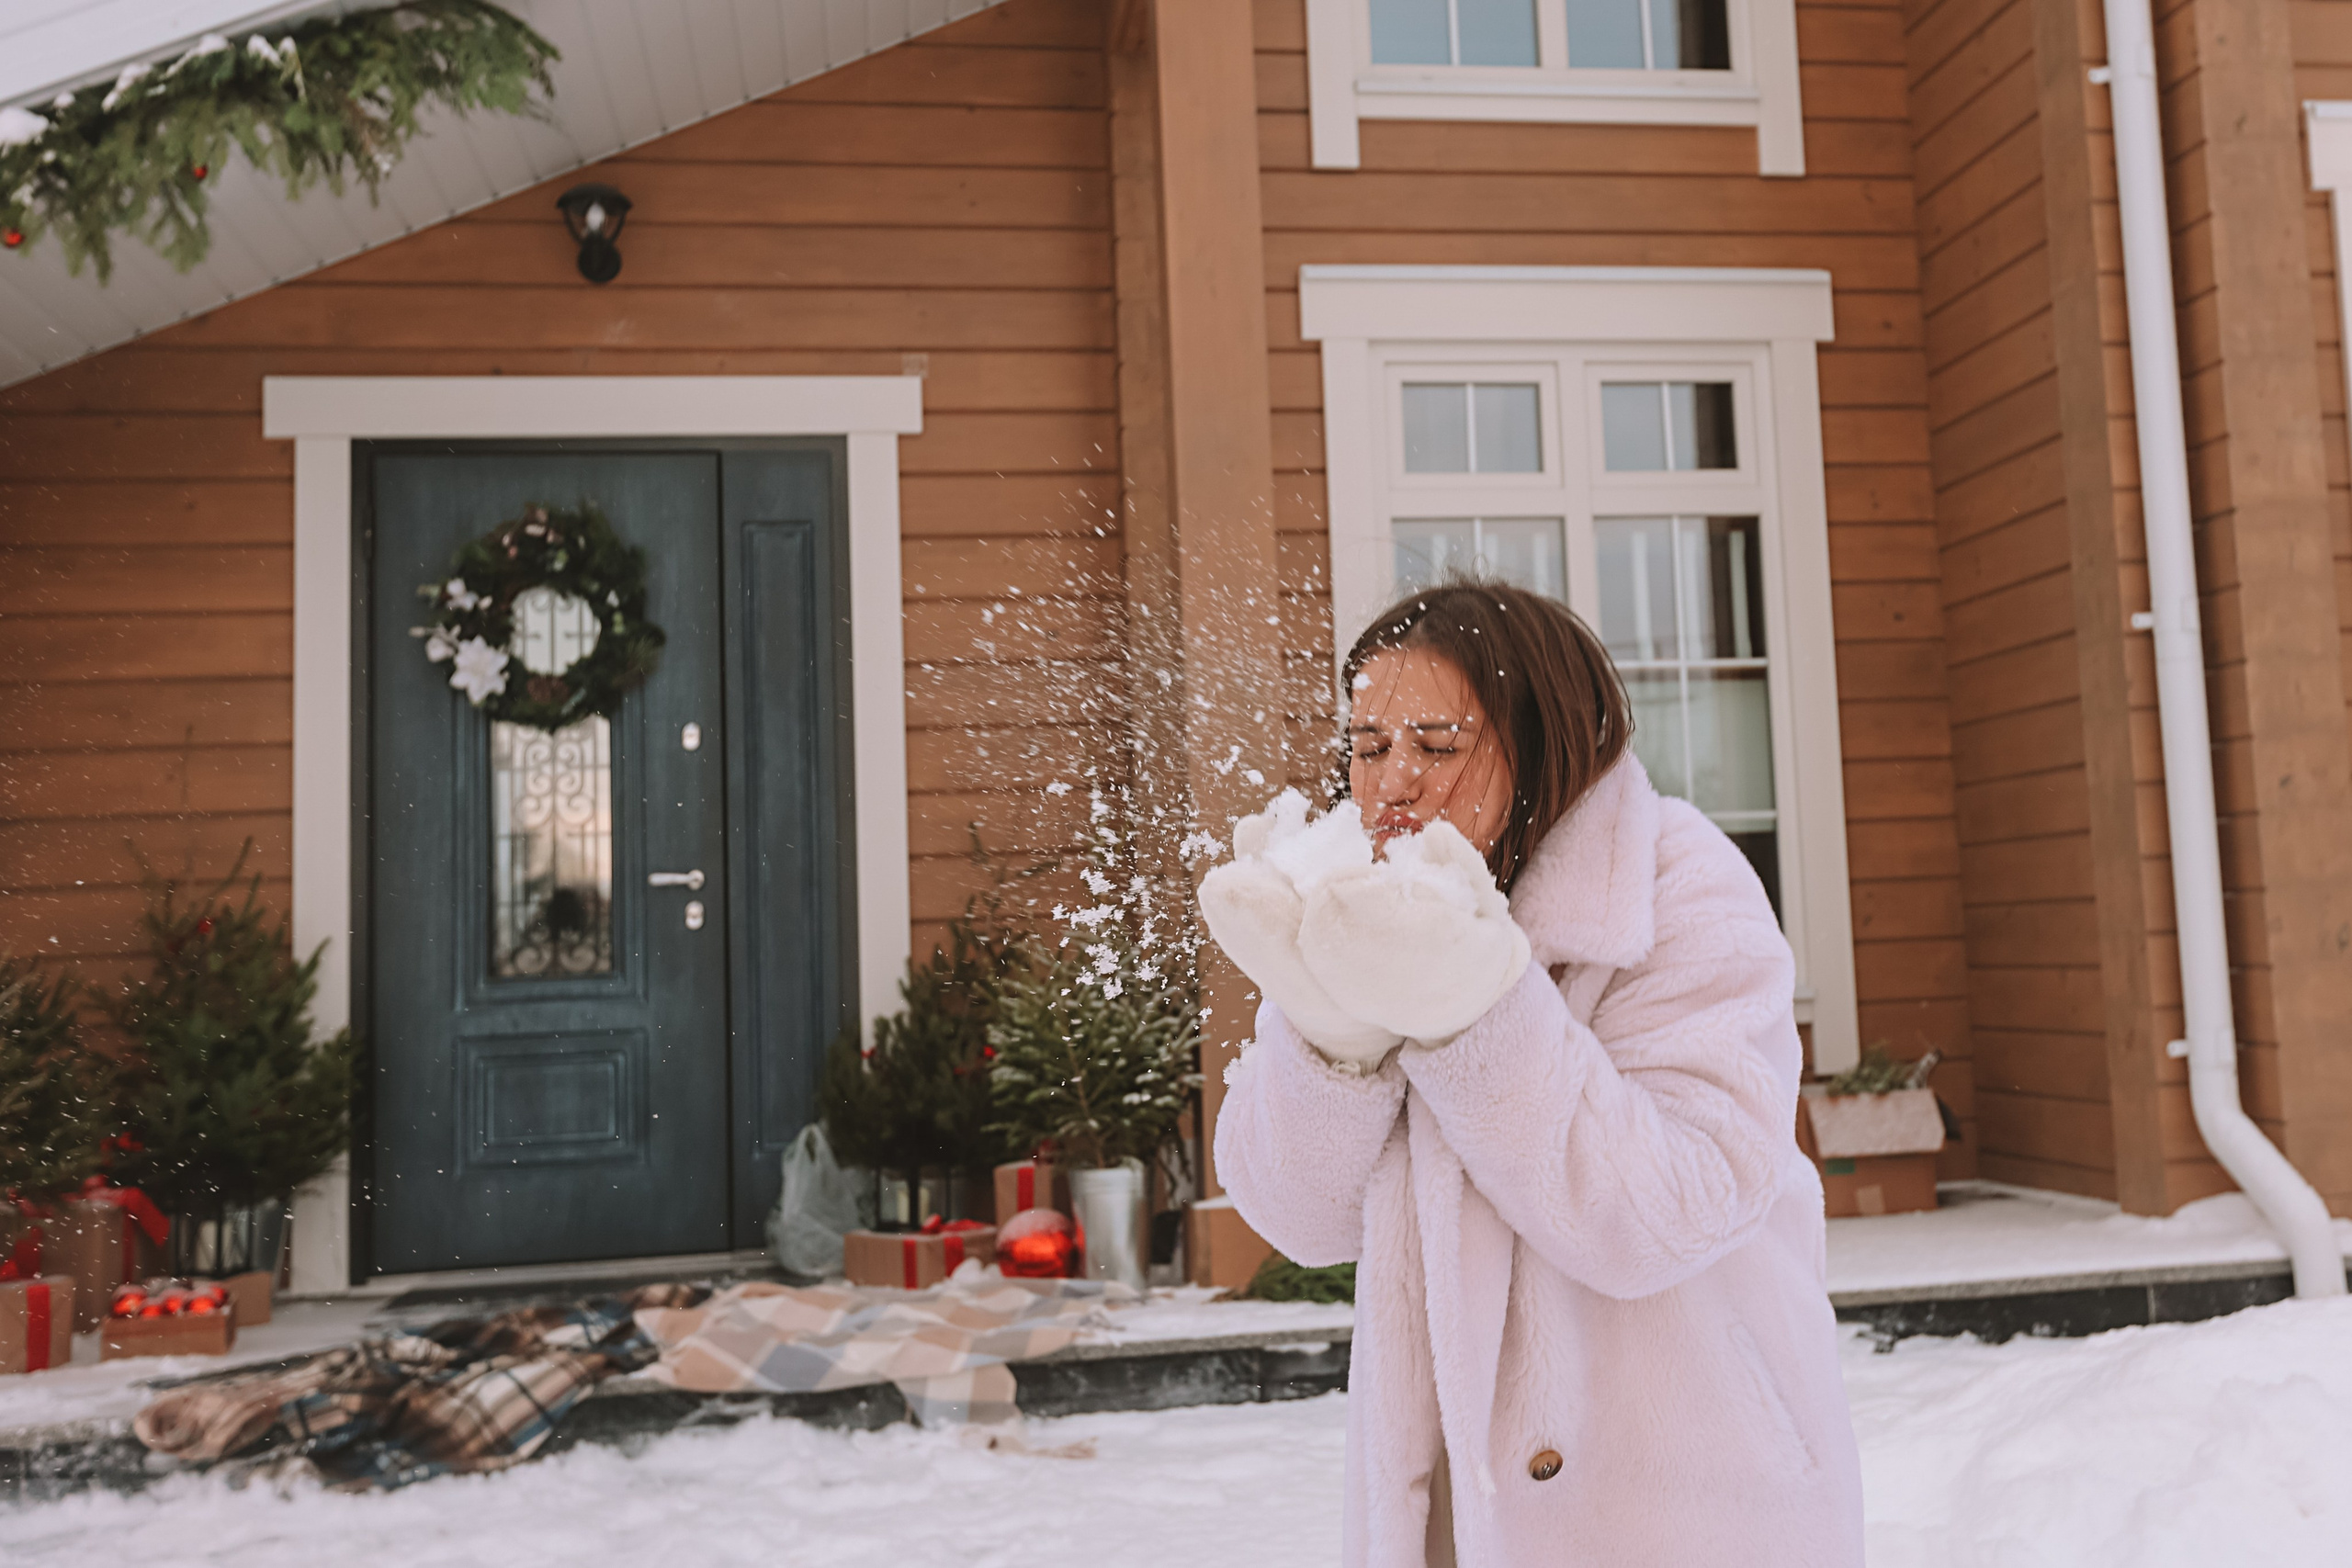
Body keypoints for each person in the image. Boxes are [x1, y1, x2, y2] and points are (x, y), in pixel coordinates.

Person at [1202, 581, 1864, 1568]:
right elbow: (1294, 1215)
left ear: (1547, 737)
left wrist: (1477, 1010)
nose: (1389, 785)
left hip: (1688, 1507)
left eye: (1434, 747)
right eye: (1368, 747)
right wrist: (1331, 1035)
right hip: (1457, 1511)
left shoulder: (1682, 890)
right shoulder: (1376, 907)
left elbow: (1672, 1206)